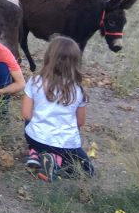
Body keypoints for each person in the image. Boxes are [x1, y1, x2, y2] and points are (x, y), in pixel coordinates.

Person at [22, 36, 95, 181]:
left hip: (36, 138)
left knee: (30, 123)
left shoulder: (35, 81)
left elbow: (25, 114)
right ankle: (56, 164)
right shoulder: (78, 90)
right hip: (66, 144)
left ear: (48, 57)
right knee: (88, 171)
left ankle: (36, 153)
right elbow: (80, 122)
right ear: (76, 62)